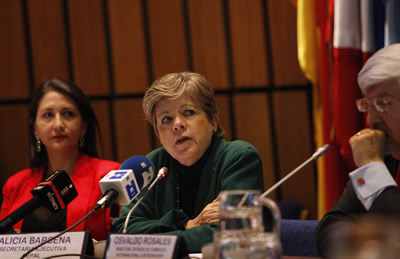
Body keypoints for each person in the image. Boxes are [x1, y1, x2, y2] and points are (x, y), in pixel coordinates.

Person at [112, 72, 265, 252]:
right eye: (166, 119)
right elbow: (124, 231)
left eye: (188, 112)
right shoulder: (153, 165)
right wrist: (188, 224)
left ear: (213, 121)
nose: (177, 124)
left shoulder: (238, 158)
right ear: (158, 134)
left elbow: (232, 233)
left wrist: (159, 241)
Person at [0, 78, 120, 241]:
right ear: (35, 129)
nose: (58, 124)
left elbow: (121, 240)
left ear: (83, 127)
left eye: (68, 114)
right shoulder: (15, 184)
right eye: (48, 115)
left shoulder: (110, 176)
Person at [315, 43, 400, 257]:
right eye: (367, 105)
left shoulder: (375, 161)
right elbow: (329, 229)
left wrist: (371, 168)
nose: (371, 120)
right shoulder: (386, 158)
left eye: (382, 103)